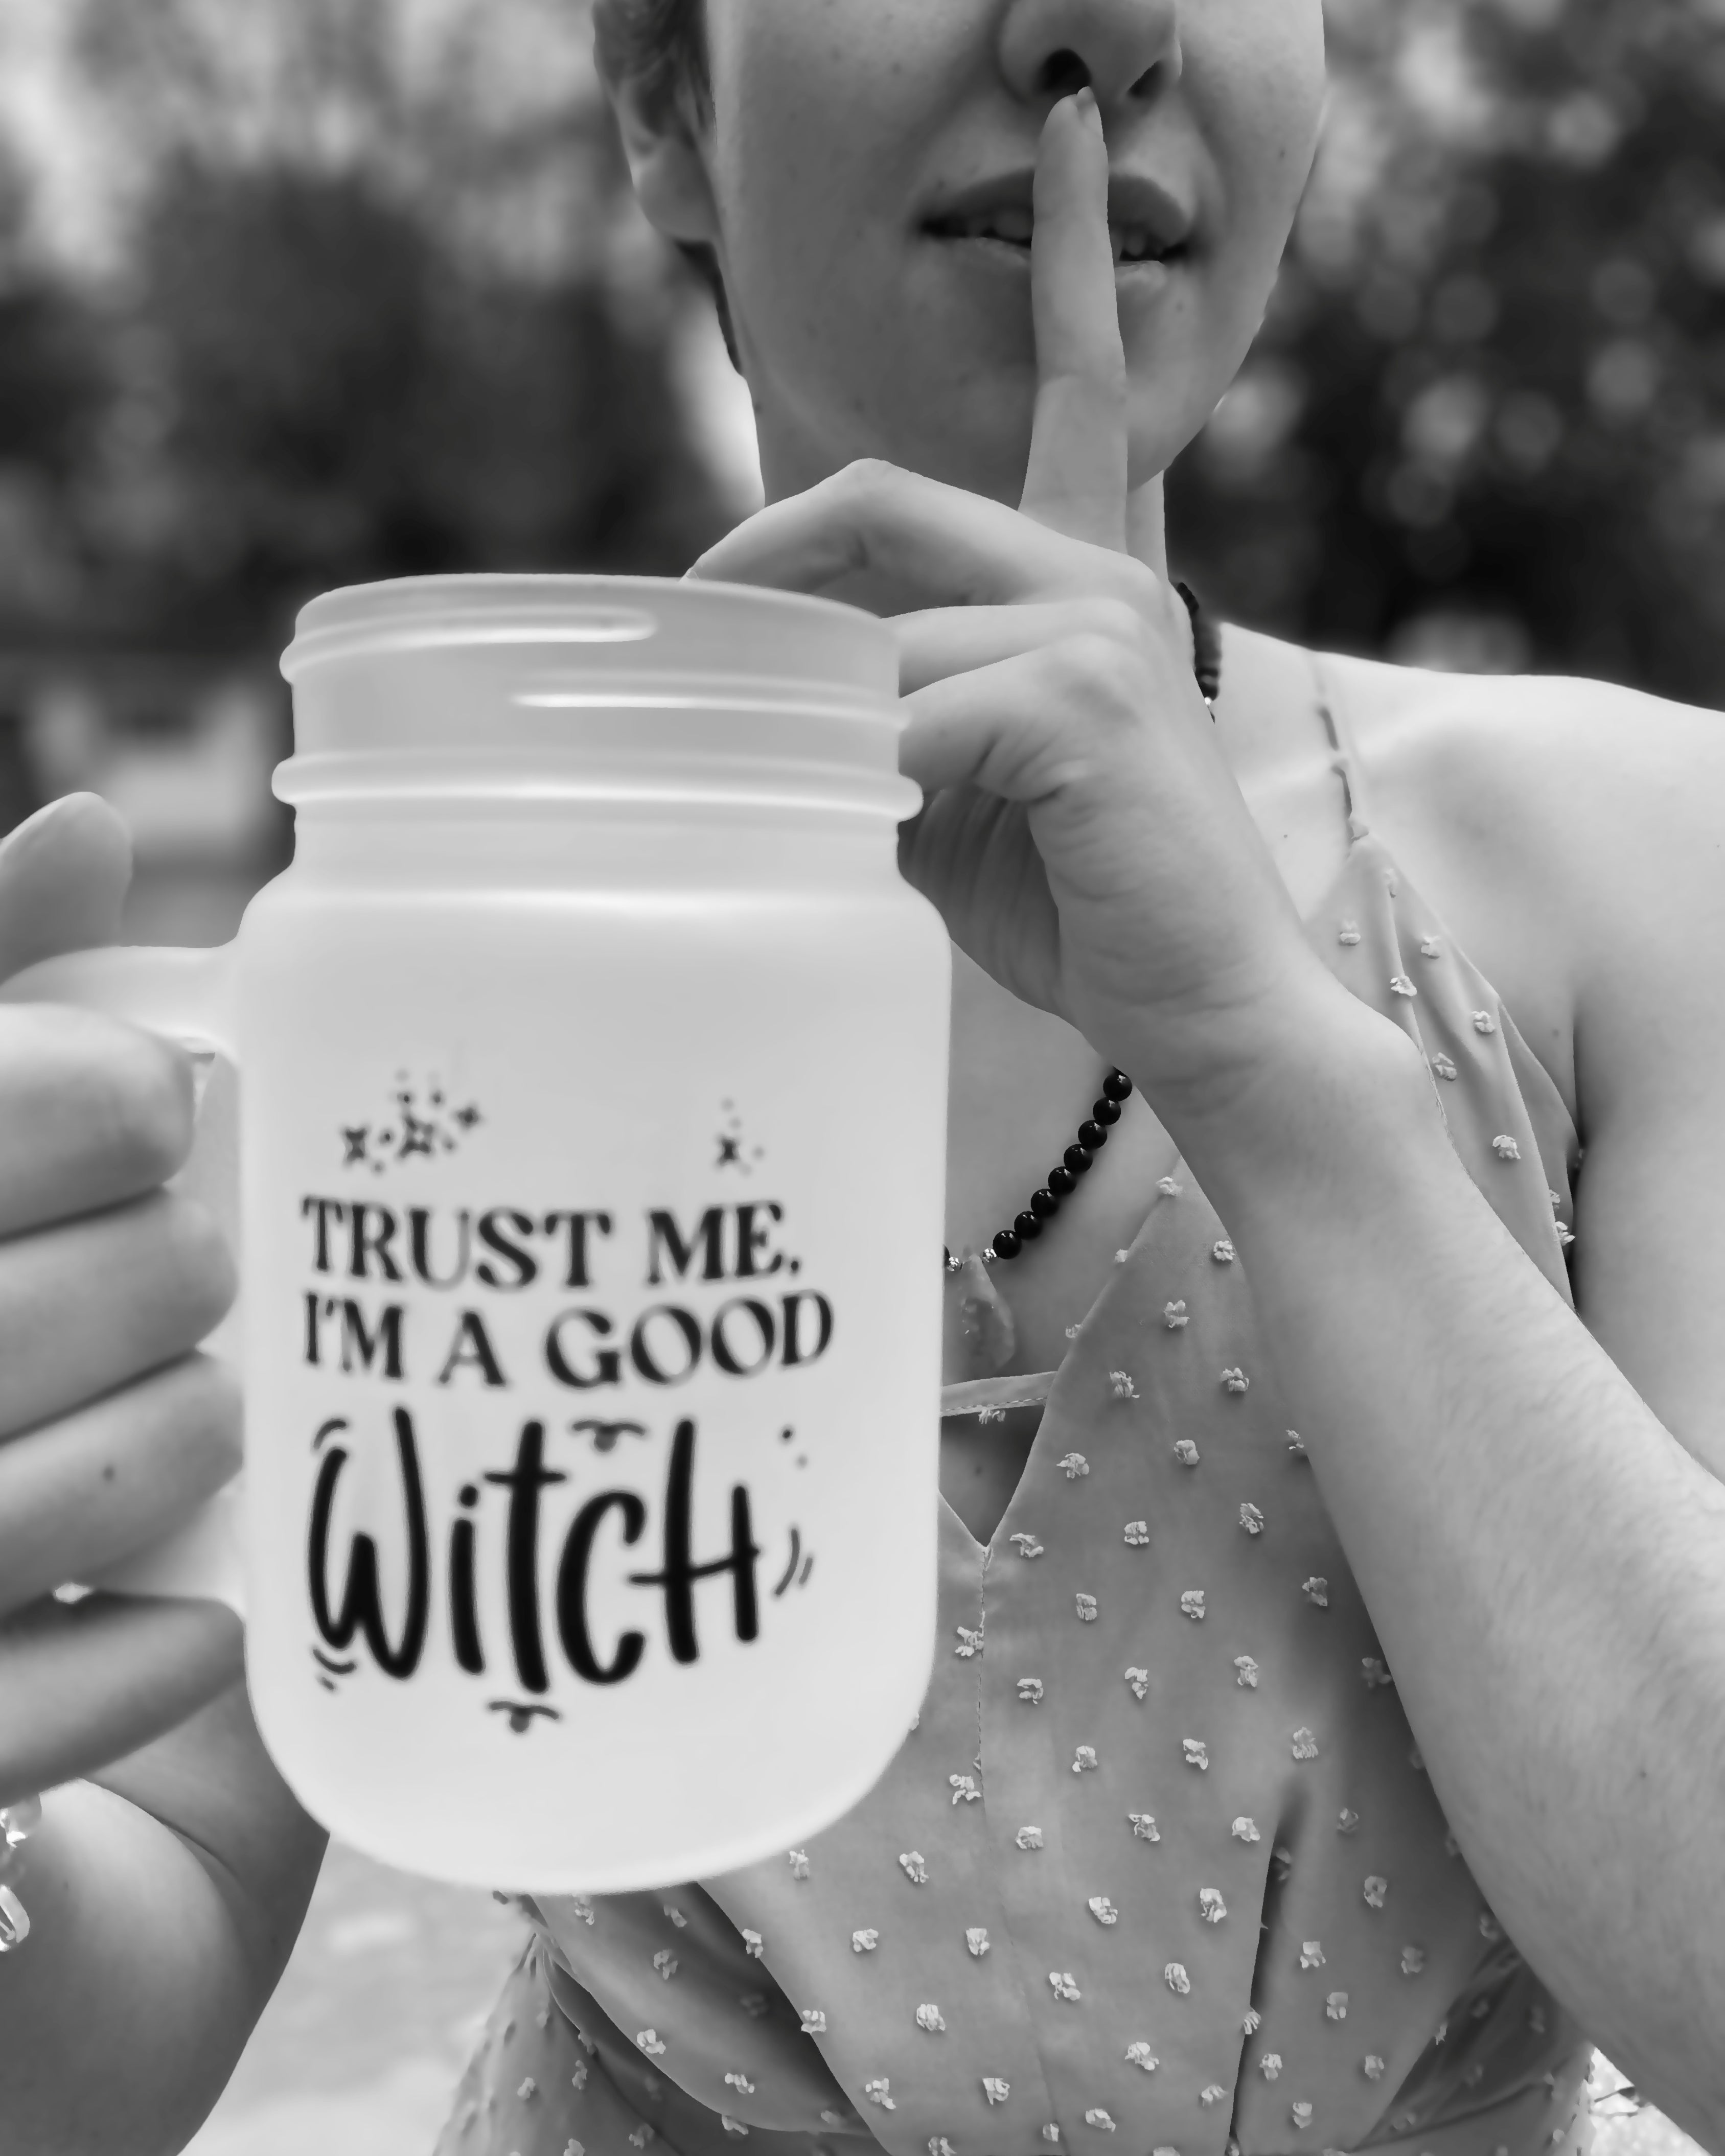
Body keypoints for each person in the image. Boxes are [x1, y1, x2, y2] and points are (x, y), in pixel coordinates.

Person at [2, 3, 1723, 2153]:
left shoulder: (1647, 866)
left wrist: (1271, 1068)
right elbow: (108, 2024)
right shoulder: (445, 949)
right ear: (667, 99)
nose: (1105, 25)